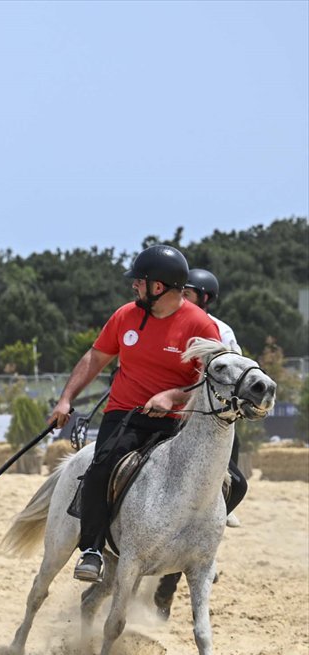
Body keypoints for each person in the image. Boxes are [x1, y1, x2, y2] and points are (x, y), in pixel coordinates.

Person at [45, 245, 220, 583]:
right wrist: (65, 399)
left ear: (159, 287)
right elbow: (95, 358)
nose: (134, 286)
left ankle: (202, 553)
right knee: (100, 468)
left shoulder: (201, 326)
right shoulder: (125, 315)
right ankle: (92, 550)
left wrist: (172, 396)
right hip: (124, 415)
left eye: (139, 281)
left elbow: (212, 382)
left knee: (220, 482)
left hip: (177, 423)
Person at [154, 267, 247, 615]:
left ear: (204, 298)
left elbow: (232, 375)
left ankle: (214, 522)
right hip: (167, 412)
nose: (182, 297)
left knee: (237, 479)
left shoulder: (221, 330)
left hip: (203, 418)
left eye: (188, 293)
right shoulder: (165, 321)